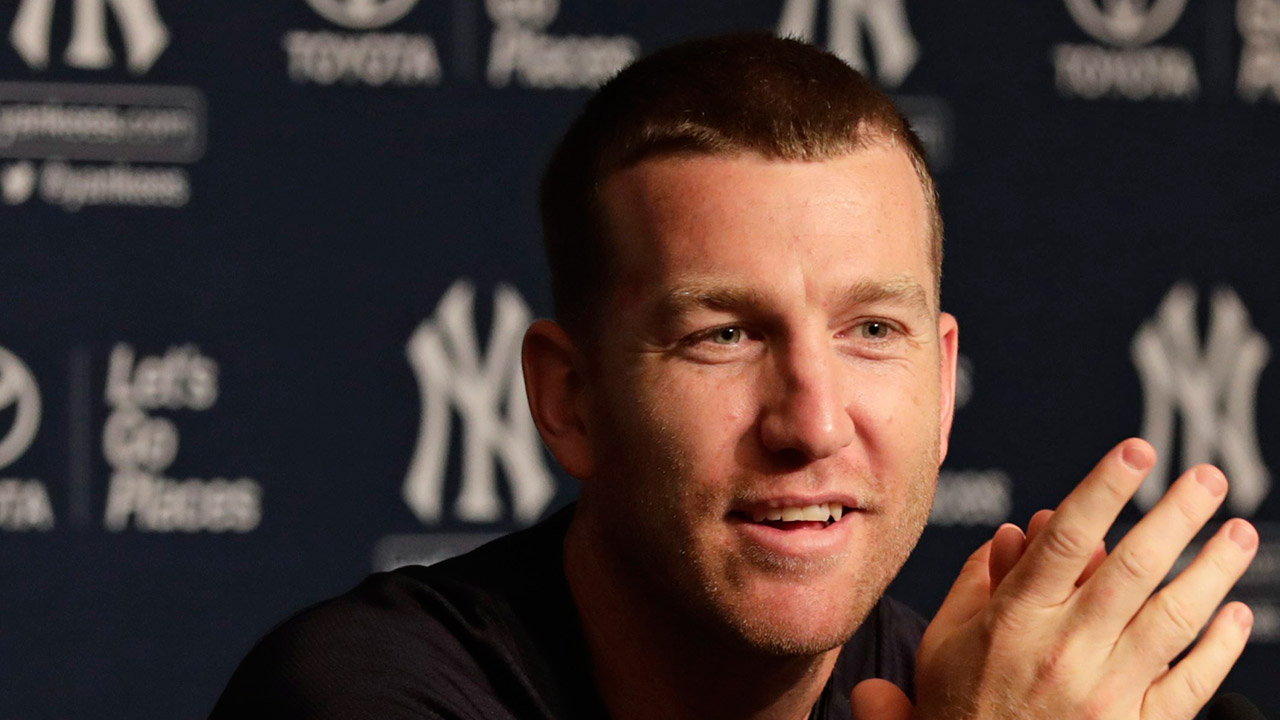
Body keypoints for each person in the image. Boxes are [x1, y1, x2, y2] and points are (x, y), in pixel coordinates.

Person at [210, 34, 1258, 720]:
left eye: (869, 330)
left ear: (942, 388)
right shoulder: (363, 694)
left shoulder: (1063, 702)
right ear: (566, 400)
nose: (808, 423)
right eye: (720, 336)